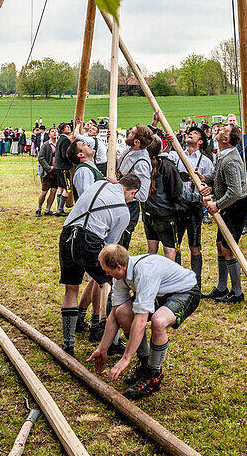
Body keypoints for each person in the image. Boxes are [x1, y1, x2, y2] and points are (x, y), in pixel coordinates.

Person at [89, 244, 200, 400]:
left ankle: (154, 374)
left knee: (158, 321)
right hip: (160, 293)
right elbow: (114, 316)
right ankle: (146, 365)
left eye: (108, 270)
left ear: (120, 267)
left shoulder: (145, 272)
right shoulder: (122, 276)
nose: (106, 274)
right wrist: (102, 348)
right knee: (123, 312)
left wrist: (126, 358)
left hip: (185, 292)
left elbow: (140, 321)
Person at [58, 175, 141, 355]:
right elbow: (109, 249)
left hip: (66, 235)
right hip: (89, 241)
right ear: (133, 192)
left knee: (71, 289)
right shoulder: (123, 211)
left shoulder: (98, 184)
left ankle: (68, 344)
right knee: (113, 284)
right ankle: (112, 340)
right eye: (133, 197)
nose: (131, 200)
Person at [200, 124, 247, 304]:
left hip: (235, 207)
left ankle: (237, 291)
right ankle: (222, 287)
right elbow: (218, 176)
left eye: (222, 131)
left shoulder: (231, 161)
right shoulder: (223, 156)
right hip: (229, 206)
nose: (218, 131)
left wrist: (217, 205)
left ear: (226, 140)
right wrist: (206, 179)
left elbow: (235, 191)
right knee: (220, 245)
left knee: (229, 248)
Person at [168, 126, 213, 285]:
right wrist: (170, 142)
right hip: (177, 205)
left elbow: (211, 183)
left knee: (195, 246)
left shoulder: (206, 162)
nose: (189, 134)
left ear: (200, 142)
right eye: (189, 133)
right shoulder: (176, 156)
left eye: (194, 134)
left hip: (195, 207)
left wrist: (208, 188)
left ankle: (196, 282)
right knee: (175, 245)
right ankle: (177, 281)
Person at [140, 138, 185, 261]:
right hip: (165, 214)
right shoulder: (167, 165)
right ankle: (170, 278)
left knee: (151, 250)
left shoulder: (144, 164)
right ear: (160, 148)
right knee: (170, 251)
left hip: (148, 212)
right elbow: (176, 192)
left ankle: (151, 275)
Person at [115, 125, 154, 248]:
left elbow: (142, 195)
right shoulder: (129, 149)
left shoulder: (142, 163)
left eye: (131, 133)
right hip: (118, 201)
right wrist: (112, 143)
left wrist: (117, 185)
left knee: (120, 244)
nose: (129, 132)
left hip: (129, 208)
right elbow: (117, 165)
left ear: (137, 142)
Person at [36, 128, 59, 217]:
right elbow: (41, 157)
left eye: (56, 131)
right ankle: (39, 208)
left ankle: (48, 209)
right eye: (52, 131)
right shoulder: (46, 145)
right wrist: (48, 167)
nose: (54, 133)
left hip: (56, 171)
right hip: (47, 171)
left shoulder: (59, 144)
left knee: (53, 191)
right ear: (49, 135)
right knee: (44, 191)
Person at [53, 122, 73, 217]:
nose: (69, 128)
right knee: (67, 188)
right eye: (67, 127)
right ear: (62, 130)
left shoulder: (61, 139)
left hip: (58, 167)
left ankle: (58, 209)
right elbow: (65, 155)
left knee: (60, 188)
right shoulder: (65, 140)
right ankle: (60, 210)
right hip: (64, 167)